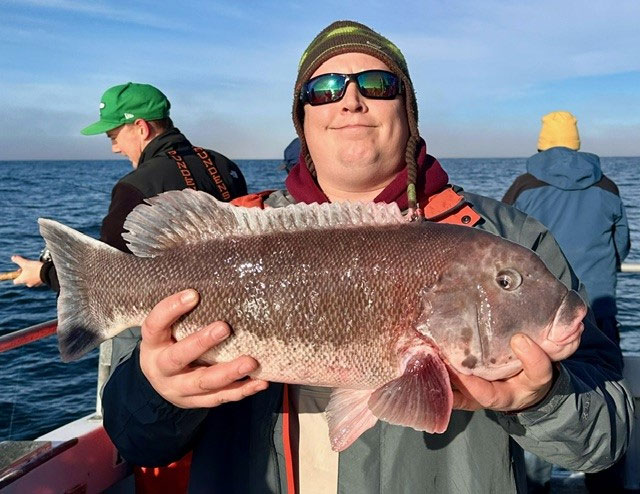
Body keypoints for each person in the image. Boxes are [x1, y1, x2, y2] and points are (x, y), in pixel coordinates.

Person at [101, 22, 633, 493]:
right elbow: (134, 439)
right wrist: (156, 389)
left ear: (409, 110)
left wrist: (544, 401)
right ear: (303, 119)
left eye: (377, 85)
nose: (350, 101)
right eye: (325, 88)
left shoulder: (511, 238)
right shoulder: (229, 235)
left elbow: (604, 436)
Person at [11, 82, 247, 292]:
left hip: (172, 319)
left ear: (141, 128)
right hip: (230, 303)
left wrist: (44, 274)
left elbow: (106, 274)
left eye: (113, 137)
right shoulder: (224, 165)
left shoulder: (136, 187)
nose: (115, 148)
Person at [502, 111, 631, 493]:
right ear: (577, 142)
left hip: (536, 319)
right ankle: (607, 485)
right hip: (597, 311)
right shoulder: (607, 186)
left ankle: (538, 487)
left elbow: (503, 247)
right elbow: (620, 245)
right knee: (602, 396)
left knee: (540, 398)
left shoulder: (523, 187)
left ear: (542, 142)